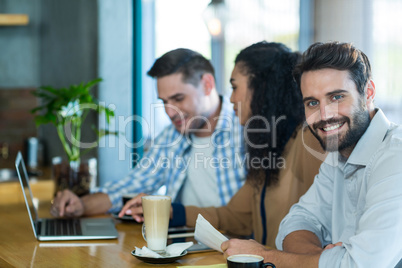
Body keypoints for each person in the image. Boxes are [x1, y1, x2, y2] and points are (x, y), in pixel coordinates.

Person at [119, 41, 324, 248]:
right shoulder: (269, 147)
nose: (231, 98)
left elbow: (324, 230)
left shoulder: (308, 140)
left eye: (235, 87)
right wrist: (171, 211)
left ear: (263, 87)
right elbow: (236, 216)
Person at [221, 41, 402, 267]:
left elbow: (359, 265)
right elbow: (295, 223)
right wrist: (322, 260)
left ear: (368, 93)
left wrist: (265, 256)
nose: (325, 115)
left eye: (337, 97)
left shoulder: (396, 156)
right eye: (313, 102)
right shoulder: (338, 154)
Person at [50, 48, 246, 218]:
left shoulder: (246, 134)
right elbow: (131, 186)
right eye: (164, 102)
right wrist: (81, 205)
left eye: (178, 98)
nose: (170, 112)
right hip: (187, 248)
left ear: (207, 85)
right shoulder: (172, 136)